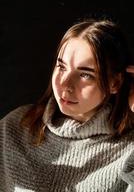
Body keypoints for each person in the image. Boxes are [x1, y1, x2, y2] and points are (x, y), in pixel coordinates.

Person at [0, 18, 134, 192]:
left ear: (114, 83)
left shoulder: (129, 148)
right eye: (61, 67)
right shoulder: (16, 126)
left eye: (85, 75)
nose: (65, 84)